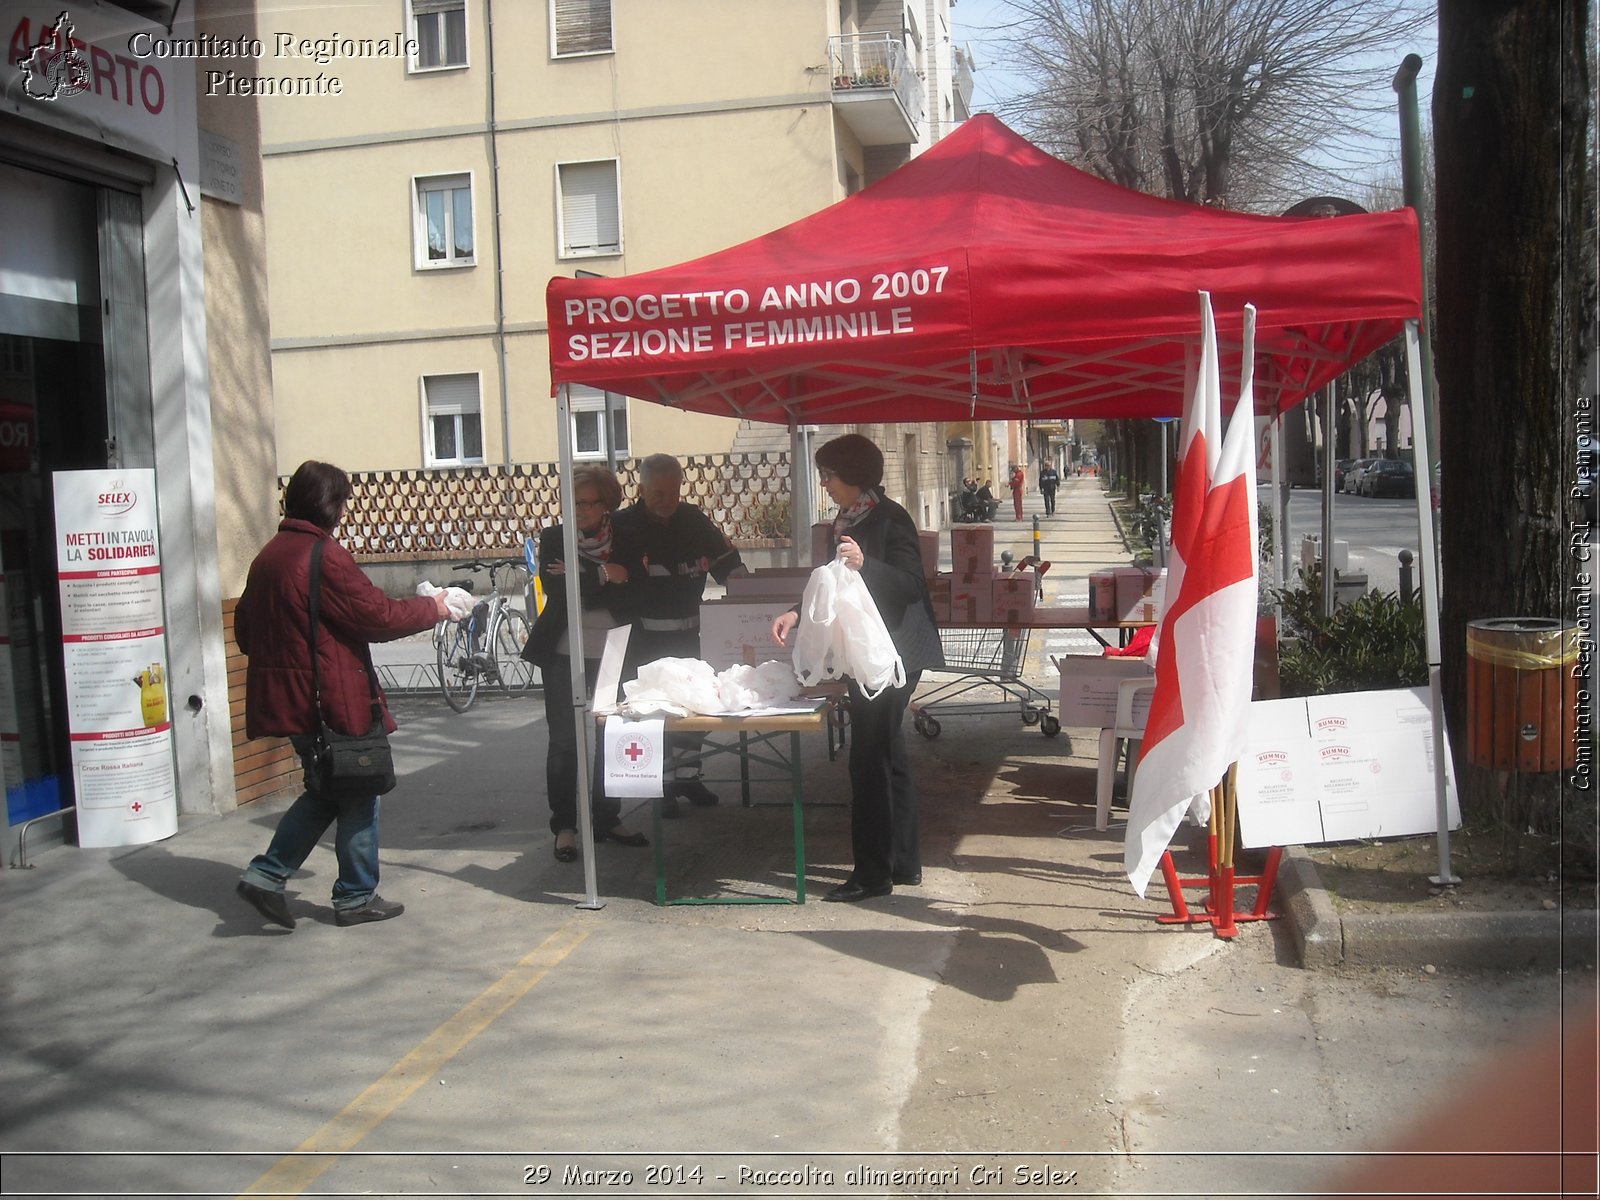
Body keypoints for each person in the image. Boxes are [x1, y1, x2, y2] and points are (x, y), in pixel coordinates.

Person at [235, 461, 450, 930]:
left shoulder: (269, 555)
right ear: (331, 505)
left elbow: (246, 633)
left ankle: (269, 877)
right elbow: (376, 616)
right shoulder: (321, 555)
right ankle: (349, 896)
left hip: (288, 697)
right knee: (357, 787)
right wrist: (433, 607)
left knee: (329, 788)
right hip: (329, 698)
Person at [771, 434, 943, 903]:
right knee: (888, 756)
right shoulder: (844, 520)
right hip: (863, 650)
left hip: (891, 656)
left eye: (829, 475)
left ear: (854, 476)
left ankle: (872, 874)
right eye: (822, 475)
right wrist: (797, 612)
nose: (824, 484)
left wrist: (868, 564)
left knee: (868, 759)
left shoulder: (891, 518)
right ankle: (902, 864)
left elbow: (911, 585)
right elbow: (831, 584)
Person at [523, 465, 648, 861]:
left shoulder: (627, 533)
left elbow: (639, 588)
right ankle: (564, 826)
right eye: (574, 503)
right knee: (563, 741)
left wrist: (584, 576)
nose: (580, 511)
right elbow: (557, 590)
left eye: (589, 503)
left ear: (607, 503)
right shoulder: (554, 537)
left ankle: (607, 817)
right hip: (563, 650)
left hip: (614, 648)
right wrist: (607, 574)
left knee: (611, 735)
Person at [612, 453, 746, 815]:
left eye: (673, 492)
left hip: (690, 635)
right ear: (641, 489)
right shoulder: (622, 526)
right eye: (658, 494)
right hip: (644, 641)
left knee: (692, 710)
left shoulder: (693, 521)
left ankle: (688, 776)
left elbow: (731, 569)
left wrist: (752, 603)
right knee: (656, 716)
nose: (666, 501)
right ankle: (662, 787)